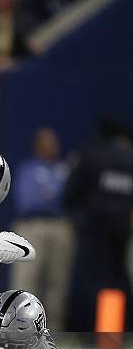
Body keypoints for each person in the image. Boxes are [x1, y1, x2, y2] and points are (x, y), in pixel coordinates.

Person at [63, 118, 133, 331]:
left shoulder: (92, 155)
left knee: (94, 283)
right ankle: (112, 332)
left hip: (94, 233)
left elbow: (69, 194)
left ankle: (94, 332)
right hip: (122, 233)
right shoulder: (130, 159)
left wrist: (80, 219)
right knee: (117, 284)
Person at [10, 128, 72, 331]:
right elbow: (28, 202)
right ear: (38, 146)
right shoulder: (28, 169)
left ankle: (54, 332)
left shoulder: (64, 170)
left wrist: (49, 194)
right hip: (32, 227)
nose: (51, 147)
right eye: (46, 143)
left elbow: (71, 200)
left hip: (60, 226)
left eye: (53, 143)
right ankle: (21, 329)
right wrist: (53, 194)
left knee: (58, 282)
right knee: (27, 279)